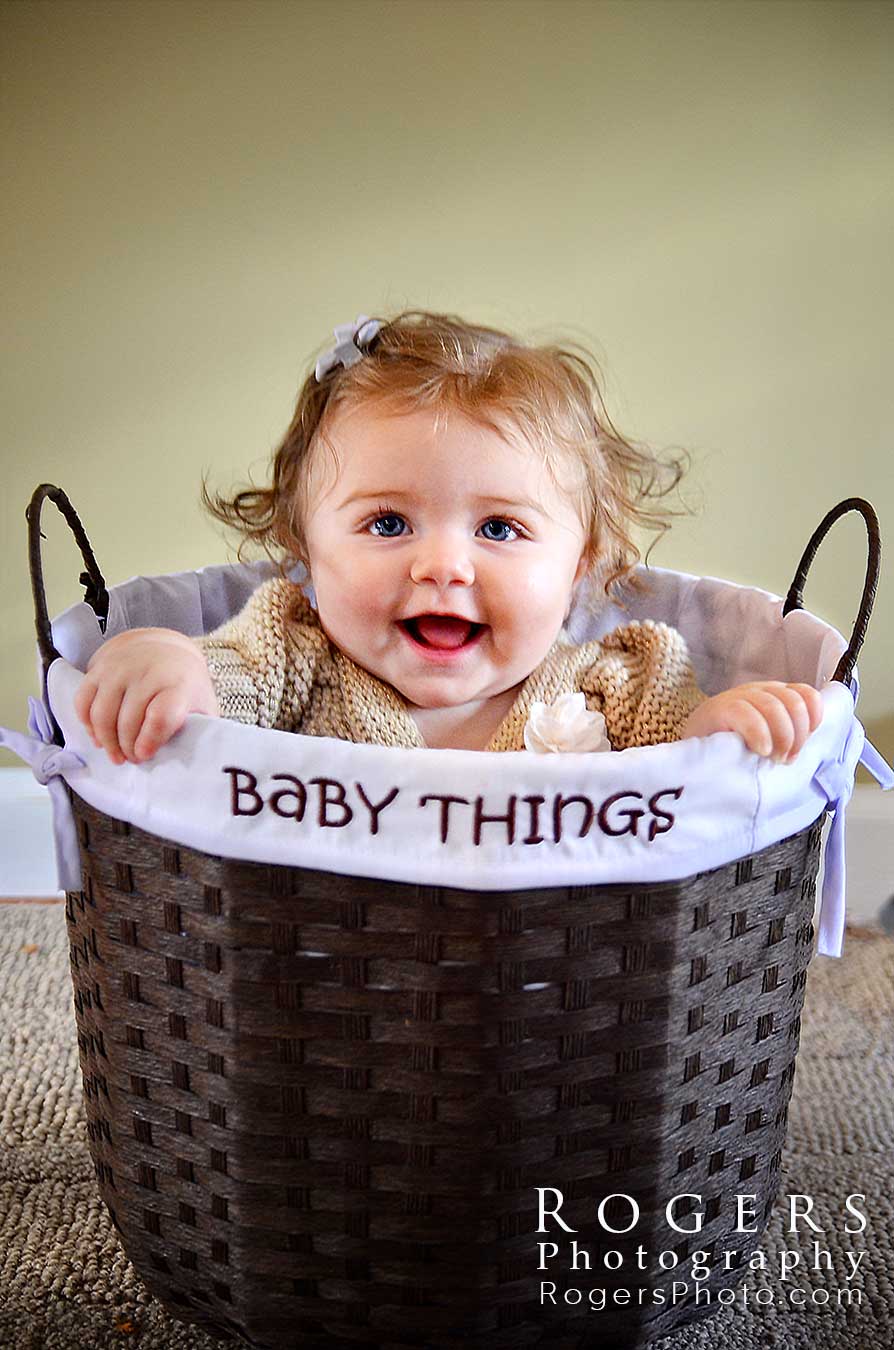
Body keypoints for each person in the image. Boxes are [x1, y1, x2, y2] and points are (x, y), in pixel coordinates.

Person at [74, 310, 823, 763]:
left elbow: (688, 758)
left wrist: (722, 724)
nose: (442, 566)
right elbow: (216, 688)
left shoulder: (615, 681)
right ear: (305, 549)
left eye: (499, 527)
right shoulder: (291, 655)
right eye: (388, 523)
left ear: (580, 566)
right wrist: (166, 661)